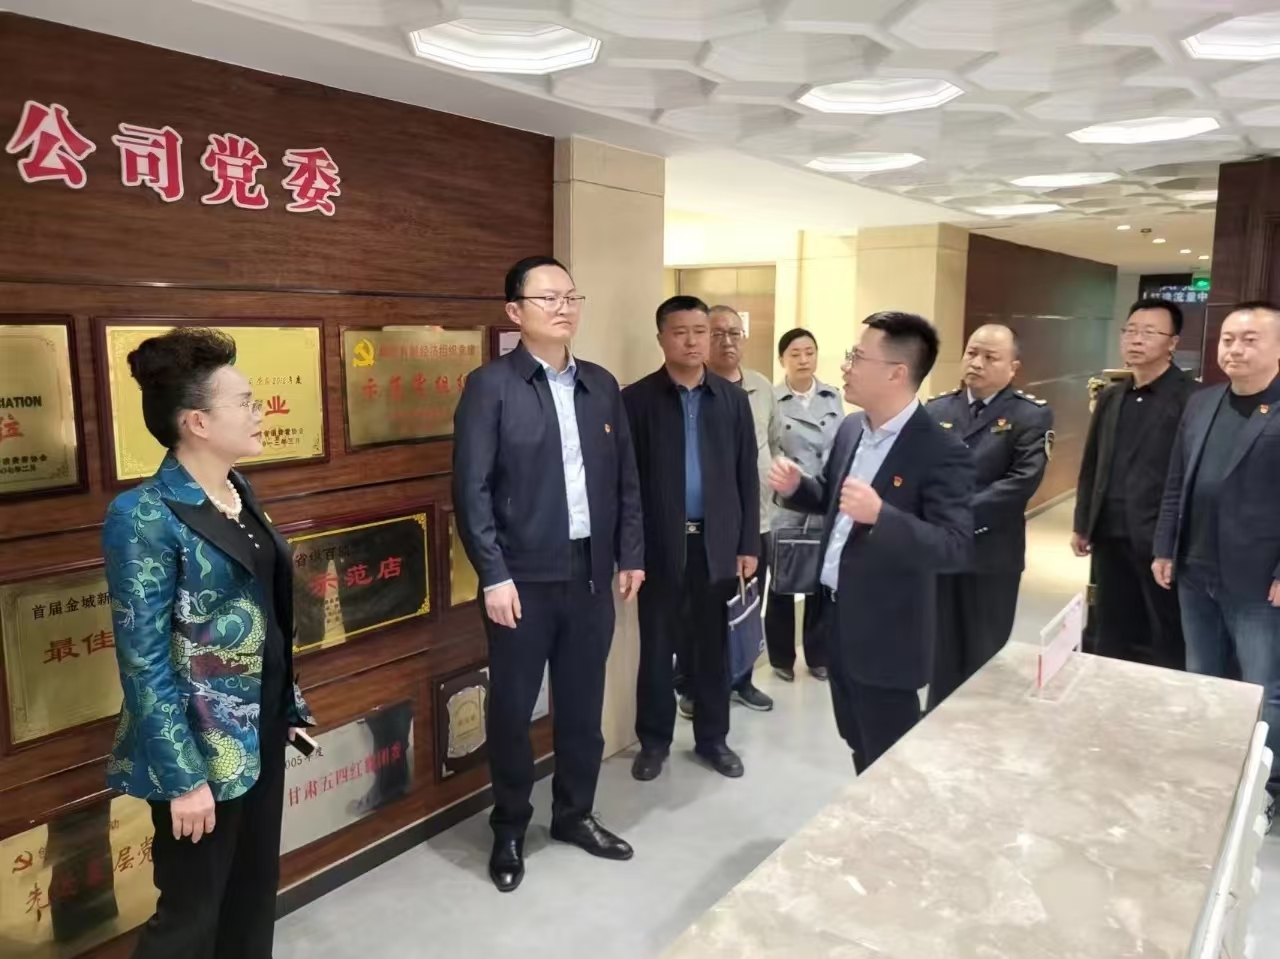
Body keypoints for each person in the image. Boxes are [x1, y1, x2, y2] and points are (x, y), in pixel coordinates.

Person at [102, 327, 314, 959]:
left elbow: (263, 611)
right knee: (190, 919)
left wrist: (288, 704)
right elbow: (142, 660)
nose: (259, 412)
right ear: (196, 421)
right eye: (245, 402)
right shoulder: (142, 514)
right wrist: (182, 779)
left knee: (252, 895)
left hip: (260, 729)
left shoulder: (237, 490)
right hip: (197, 748)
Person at [452, 256, 644, 893]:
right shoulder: (491, 386)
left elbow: (626, 480)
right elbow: (472, 490)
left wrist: (631, 553)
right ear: (515, 311)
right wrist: (493, 574)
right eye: (547, 298)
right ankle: (509, 825)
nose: (563, 308)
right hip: (521, 581)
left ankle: (574, 814)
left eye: (571, 296)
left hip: (591, 575)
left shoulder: (601, 385)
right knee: (512, 710)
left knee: (583, 707)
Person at [768, 311, 973, 772]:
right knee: (856, 742)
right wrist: (798, 488)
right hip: (837, 620)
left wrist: (883, 516)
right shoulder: (851, 429)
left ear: (897, 372)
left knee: (890, 759)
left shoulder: (939, 450)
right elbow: (834, 500)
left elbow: (955, 546)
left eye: (857, 357)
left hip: (888, 637)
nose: (845, 366)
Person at [1153, 301, 1280, 821]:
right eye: (1228, 339)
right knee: (1201, 677)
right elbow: (1177, 481)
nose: (1235, 349)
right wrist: (1165, 545)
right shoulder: (1202, 403)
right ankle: (1208, 774)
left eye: (1250, 339)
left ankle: (1264, 788)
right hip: (1195, 567)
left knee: (1263, 688)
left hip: (1259, 578)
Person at [625, 295, 760, 782]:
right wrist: (630, 552)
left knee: (712, 651)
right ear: (661, 338)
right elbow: (626, 484)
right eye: (680, 332)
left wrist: (748, 545)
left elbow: (747, 476)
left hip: (715, 546)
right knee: (656, 650)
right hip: (660, 548)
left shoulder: (732, 400)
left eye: (700, 331)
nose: (692, 341)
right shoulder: (636, 400)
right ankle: (653, 742)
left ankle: (713, 740)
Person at [925, 325, 1053, 708]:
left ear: (1013, 367)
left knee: (985, 652)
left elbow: (1021, 482)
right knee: (940, 651)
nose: (977, 363)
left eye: (990, 357)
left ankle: (978, 723)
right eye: (971, 353)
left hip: (992, 554)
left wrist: (957, 514)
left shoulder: (1029, 415)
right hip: (941, 554)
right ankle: (937, 721)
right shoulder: (936, 410)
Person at [1073, 298, 1193, 669]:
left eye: (1149, 332)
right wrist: (1082, 522)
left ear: (1173, 342)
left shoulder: (1193, 398)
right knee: (1110, 628)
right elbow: (1092, 464)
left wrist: (1173, 542)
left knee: (1164, 634)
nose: (1136, 340)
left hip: (1159, 541)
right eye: (1130, 331)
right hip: (1109, 534)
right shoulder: (1111, 396)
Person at [694, 303, 778, 713]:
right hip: (714, 525)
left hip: (758, 519)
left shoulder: (762, 386)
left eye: (734, 333)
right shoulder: (698, 388)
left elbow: (773, 443)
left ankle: (742, 678)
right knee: (705, 611)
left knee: (748, 604)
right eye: (717, 333)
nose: (727, 341)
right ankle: (696, 685)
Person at [768, 328, 843, 683]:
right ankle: (781, 656)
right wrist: (789, 476)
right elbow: (770, 447)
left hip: (824, 499)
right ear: (782, 359)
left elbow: (839, 444)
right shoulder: (773, 398)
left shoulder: (832, 396)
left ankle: (819, 655)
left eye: (809, 352)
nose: (803, 360)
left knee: (821, 583)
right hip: (787, 501)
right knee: (782, 582)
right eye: (795, 354)